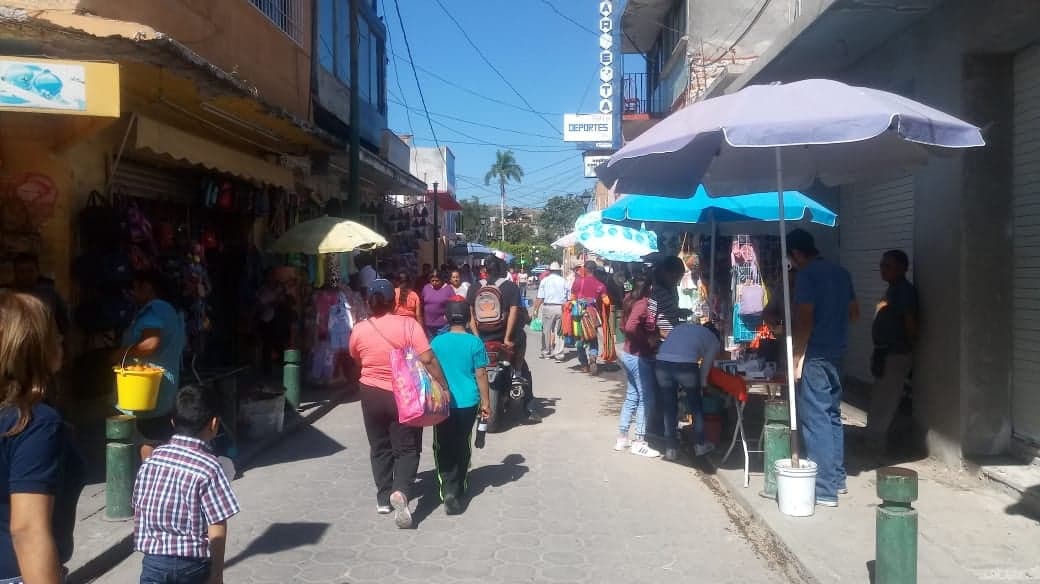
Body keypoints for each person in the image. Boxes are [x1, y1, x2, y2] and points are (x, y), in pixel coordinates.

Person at [349, 279, 451, 528]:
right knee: (406, 447)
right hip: (403, 393)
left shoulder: (360, 329)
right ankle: (401, 491)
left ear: (369, 302)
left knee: (379, 445)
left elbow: (355, 356)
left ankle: (383, 498)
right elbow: (427, 359)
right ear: (394, 301)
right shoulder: (408, 325)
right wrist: (443, 386)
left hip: (370, 392)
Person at [133, 385, 239, 584]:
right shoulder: (210, 466)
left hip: (154, 563)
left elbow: (140, 508)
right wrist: (217, 574)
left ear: (173, 422)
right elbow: (216, 524)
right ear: (214, 424)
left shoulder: (152, 461)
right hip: (193, 565)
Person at [0, 292, 71, 583]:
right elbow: (28, 530)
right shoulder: (36, 423)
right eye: (54, 333)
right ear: (35, 346)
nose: (62, 340)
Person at [787, 228, 858, 508]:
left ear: (796, 254)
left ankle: (824, 488)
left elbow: (805, 318)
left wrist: (796, 357)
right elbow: (855, 313)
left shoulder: (807, 275)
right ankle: (837, 479)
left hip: (815, 354)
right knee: (831, 415)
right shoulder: (842, 273)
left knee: (815, 417)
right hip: (838, 351)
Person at [115, 270, 187, 461]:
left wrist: (120, 354)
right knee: (159, 432)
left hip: (147, 386)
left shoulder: (155, 308)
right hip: (163, 384)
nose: (132, 293)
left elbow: (150, 343)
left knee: (150, 438)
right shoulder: (172, 311)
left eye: (135, 288)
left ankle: (153, 481)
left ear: (147, 288)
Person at [430, 299, 491, 515]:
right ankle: (458, 486)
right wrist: (486, 402)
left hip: (443, 403)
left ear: (446, 318)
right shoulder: (475, 343)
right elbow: (481, 374)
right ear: (468, 318)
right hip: (468, 402)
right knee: (462, 444)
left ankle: (447, 488)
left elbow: (428, 369)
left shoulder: (437, 342)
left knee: (442, 444)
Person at [467, 257, 539, 422]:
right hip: (504, 339)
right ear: (502, 270)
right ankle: (528, 405)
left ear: (485, 270)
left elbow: (469, 313)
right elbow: (514, 311)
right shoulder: (510, 287)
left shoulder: (475, 287)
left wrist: (477, 337)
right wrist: (507, 337)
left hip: (482, 339)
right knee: (522, 344)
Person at [866, 250, 918, 454]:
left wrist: (910, 342)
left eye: (888, 266)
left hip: (896, 352)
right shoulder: (891, 290)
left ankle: (876, 445)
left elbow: (909, 320)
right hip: (884, 352)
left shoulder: (904, 291)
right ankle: (874, 440)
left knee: (885, 400)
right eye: (882, 265)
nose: (883, 269)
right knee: (880, 397)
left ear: (902, 268)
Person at [655, 321, 721, 460]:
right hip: (685, 366)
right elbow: (705, 368)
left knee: (669, 407)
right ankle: (700, 445)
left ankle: (670, 449)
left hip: (661, 363)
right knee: (696, 406)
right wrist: (703, 385)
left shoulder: (682, 327)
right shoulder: (714, 341)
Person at [616, 277, 661, 458]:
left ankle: (622, 437)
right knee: (645, 398)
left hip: (629, 353)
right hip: (638, 356)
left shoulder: (629, 300)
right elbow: (630, 326)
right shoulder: (642, 304)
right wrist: (645, 342)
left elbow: (622, 324)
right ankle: (639, 441)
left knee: (632, 396)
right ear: (649, 287)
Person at [8, 253, 70, 336]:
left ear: (37, 272)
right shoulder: (8, 297)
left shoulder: (50, 295)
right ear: (15, 274)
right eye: (21, 272)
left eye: (30, 271)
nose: (26, 276)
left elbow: (63, 324)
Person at [570, 260, 607, 374]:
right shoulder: (600, 285)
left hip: (578, 314)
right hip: (592, 313)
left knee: (579, 340)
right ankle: (593, 357)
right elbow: (606, 301)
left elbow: (572, 299)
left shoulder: (577, 282)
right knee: (592, 338)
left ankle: (584, 365)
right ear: (594, 270)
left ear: (585, 269)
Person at [533, 262, 567, 361]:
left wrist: (535, 310)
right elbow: (568, 296)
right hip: (561, 307)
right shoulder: (563, 281)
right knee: (560, 331)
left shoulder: (545, 281)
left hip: (548, 307)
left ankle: (546, 352)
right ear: (559, 271)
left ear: (550, 271)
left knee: (546, 330)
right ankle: (559, 354)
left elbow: (540, 297)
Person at [421, 271, 455, 338]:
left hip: (443, 325)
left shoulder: (448, 289)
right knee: (431, 345)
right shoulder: (426, 288)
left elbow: (453, 304)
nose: (434, 282)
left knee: (442, 345)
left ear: (441, 280)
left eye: (437, 280)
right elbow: (422, 302)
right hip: (429, 325)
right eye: (432, 280)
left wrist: (448, 314)